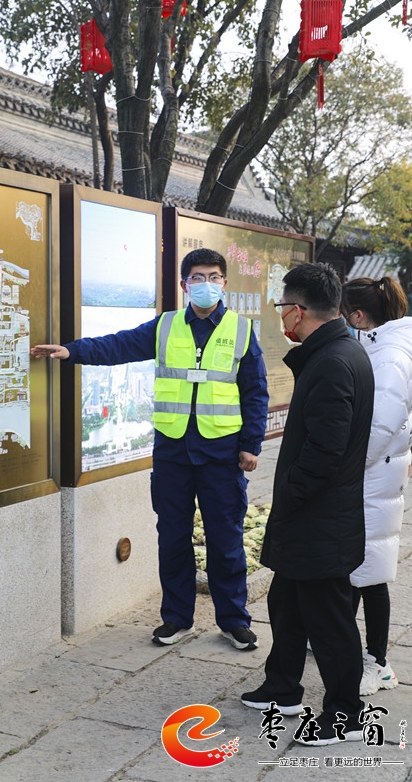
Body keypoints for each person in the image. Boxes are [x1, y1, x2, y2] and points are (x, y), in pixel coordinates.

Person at [31, 248, 269, 650]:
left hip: (222, 453)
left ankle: (234, 620)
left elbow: (255, 392)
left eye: (213, 277)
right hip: (173, 451)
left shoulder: (241, 331)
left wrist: (250, 445)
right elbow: (119, 346)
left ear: (224, 283)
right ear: (184, 284)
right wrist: (72, 351)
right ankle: (176, 618)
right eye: (198, 277)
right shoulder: (166, 326)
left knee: (225, 541)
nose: (206, 284)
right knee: (172, 538)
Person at [241, 262, 374, 746]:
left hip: (321, 519)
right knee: (287, 603)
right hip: (314, 516)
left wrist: (291, 492)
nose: (281, 317)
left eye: (282, 307)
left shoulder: (334, 362)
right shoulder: (335, 352)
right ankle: (282, 688)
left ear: (297, 311)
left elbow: (324, 451)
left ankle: (345, 715)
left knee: (330, 621)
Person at [340, 276, 412, 695]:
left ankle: (378, 663)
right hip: (372, 477)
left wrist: (343, 466)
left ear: (357, 316)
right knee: (359, 569)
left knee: (370, 574)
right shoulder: (381, 346)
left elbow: (379, 428)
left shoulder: (389, 355)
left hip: (372, 478)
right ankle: (345, 644)